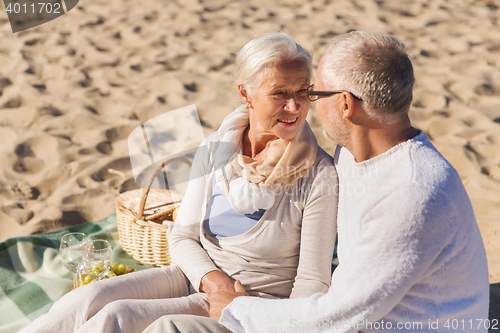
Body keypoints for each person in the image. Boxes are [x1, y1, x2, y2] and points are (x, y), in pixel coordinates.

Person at [147, 30, 490, 333]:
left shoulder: (412, 193)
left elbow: (336, 316)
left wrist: (238, 310)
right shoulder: (354, 156)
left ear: (344, 105)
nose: (301, 105)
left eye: (313, 93)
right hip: (354, 318)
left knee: (169, 328)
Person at [19, 32, 338, 333]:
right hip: (198, 278)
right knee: (87, 298)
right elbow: (183, 236)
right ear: (246, 94)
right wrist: (213, 281)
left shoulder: (318, 174)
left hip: (256, 302)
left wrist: (247, 311)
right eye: (279, 93)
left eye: (303, 91)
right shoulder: (218, 147)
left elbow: (312, 284)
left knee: (120, 317)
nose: (295, 107)